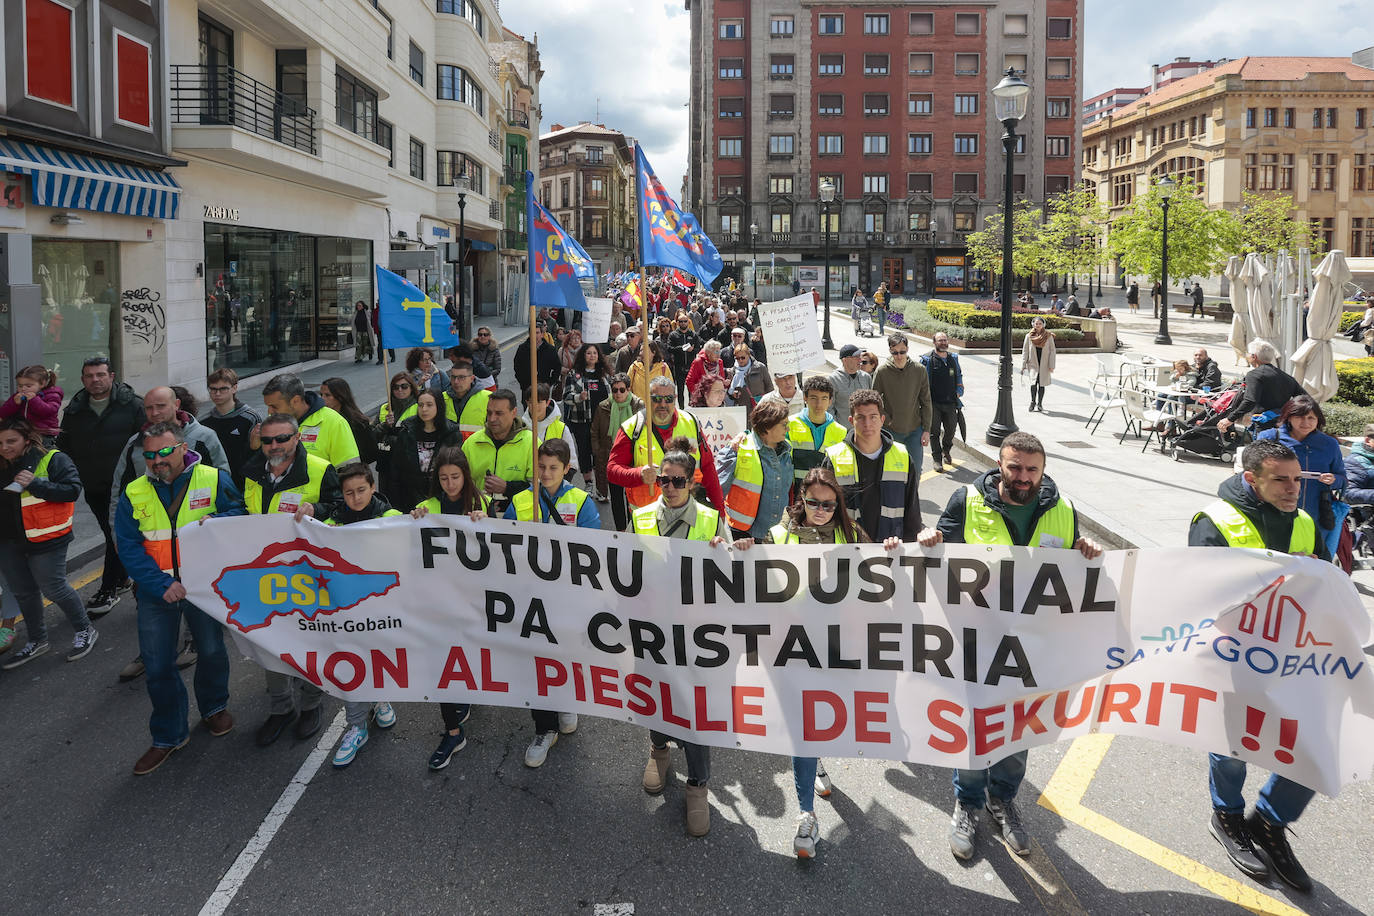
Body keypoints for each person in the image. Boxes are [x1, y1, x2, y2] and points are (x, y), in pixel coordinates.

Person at [917, 431, 1103, 861]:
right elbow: (940, 558)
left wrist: (1084, 551)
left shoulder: (1063, 510)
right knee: (976, 723)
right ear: (1000, 464)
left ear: (1043, 470)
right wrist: (931, 541)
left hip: (1034, 645)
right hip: (977, 639)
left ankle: (1003, 799)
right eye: (1014, 466)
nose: (1022, 476)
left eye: (1031, 469)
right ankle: (967, 801)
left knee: (1019, 728)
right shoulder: (966, 501)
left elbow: (1074, 573)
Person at [728, 466, 899, 853]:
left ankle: (816, 759)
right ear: (800, 500)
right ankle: (806, 815)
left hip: (836, 649)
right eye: (813, 502)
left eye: (828, 503)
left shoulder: (852, 535)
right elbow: (754, 581)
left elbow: (880, 579)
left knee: (821, 721)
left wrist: (889, 551)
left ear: (837, 503)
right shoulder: (776, 536)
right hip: (790, 650)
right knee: (802, 726)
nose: (820, 510)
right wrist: (742, 550)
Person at [1189, 439, 1328, 892]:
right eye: (1281, 480)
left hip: (1293, 653)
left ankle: (1268, 821)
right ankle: (1227, 816)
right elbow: (1198, 593)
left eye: (1297, 479)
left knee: (1311, 747)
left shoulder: (1304, 520)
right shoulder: (1214, 521)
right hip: (1233, 655)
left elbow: (1323, 581)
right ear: (1252, 479)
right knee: (1234, 743)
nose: (1293, 489)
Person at [112, 422, 245, 774]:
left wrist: (218, 519)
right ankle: (168, 736)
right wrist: (159, 584)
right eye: (150, 455)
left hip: (204, 589)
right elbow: (128, 546)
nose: (157, 461)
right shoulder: (134, 492)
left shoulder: (214, 479)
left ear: (182, 448)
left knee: (213, 651)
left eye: (164, 452)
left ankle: (214, 708)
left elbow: (241, 515)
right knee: (157, 667)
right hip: (159, 593)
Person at [632, 437, 732, 836]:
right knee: (654, 694)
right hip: (651, 631)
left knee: (694, 710)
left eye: (678, 481)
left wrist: (723, 553)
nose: (670, 487)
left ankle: (698, 785)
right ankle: (658, 749)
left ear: (692, 483)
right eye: (664, 481)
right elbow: (622, 569)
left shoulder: (710, 520)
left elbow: (729, 577)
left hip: (694, 635)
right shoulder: (639, 518)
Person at [242, 413, 342, 747]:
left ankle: (311, 703)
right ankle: (281, 708)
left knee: (309, 642)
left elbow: (341, 506)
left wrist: (319, 511)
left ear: (297, 438)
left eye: (281, 439)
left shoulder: (319, 468)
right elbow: (243, 514)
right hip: (265, 576)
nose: (274, 447)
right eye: (267, 440)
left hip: (308, 576)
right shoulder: (252, 470)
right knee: (271, 642)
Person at [503, 439, 599, 767]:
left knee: (566, 655)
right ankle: (544, 729)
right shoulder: (520, 500)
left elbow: (595, 551)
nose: (545, 473)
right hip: (530, 597)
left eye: (553, 468)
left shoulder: (581, 502)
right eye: (541, 467)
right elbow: (502, 546)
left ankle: (566, 698)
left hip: (568, 598)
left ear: (566, 468)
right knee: (537, 662)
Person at [411, 446, 488, 769]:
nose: (449, 484)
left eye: (455, 477)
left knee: (466, 654)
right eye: (443, 478)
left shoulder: (479, 503)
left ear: (465, 475)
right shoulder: (427, 507)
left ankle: (463, 695)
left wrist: (485, 523)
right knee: (442, 662)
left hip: (471, 598)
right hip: (437, 600)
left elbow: (496, 548)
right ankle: (453, 731)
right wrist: (413, 520)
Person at [0, 418, 98, 670]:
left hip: (46, 537)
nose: (5, 447)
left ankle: (85, 630)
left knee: (53, 588)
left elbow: (72, 490)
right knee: (23, 592)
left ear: (28, 439)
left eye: (11, 441)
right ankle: (37, 640)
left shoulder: (53, 458)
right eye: (0, 443)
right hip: (9, 540)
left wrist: (35, 484)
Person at [319, 463, 400, 767]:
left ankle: (379, 698)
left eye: (361, 490)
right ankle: (356, 726)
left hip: (382, 609)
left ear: (373, 487)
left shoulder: (393, 519)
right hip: (346, 611)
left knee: (377, 658)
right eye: (349, 493)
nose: (356, 497)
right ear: (342, 494)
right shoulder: (329, 524)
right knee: (351, 663)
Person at [57, 356, 146, 615]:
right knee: (112, 534)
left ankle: (107, 589)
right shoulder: (75, 409)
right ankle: (121, 579)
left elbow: (146, 445)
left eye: (100, 375)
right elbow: (65, 447)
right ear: (83, 379)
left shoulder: (133, 405)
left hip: (127, 488)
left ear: (112, 375)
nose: (95, 380)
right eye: (89, 376)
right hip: (94, 486)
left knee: (113, 535)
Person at [606, 376, 726, 514]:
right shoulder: (632, 428)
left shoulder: (691, 422)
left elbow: (708, 467)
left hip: (686, 514)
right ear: (647, 399)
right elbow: (612, 470)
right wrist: (638, 474)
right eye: (656, 399)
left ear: (675, 399)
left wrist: (719, 510)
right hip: (648, 519)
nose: (662, 404)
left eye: (668, 399)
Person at [821, 389, 921, 541]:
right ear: (850, 420)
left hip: (889, 551)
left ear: (882, 419)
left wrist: (910, 552)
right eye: (860, 417)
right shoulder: (834, 458)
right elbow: (823, 512)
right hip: (847, 552)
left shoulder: (902, 457)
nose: (867, 424)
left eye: (873, 417)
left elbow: (912, 513)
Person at [1253, 395, 1347, 556]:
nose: (1306, 422)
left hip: (1315, 516)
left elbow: (1343, 479)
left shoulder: (1329, 444)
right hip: (1274, 511)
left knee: (1312, 562)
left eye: (1311, 417)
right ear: (1288, 417)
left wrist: (1333, 480)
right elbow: (1252, 472)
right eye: (1300, 417)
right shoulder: (1269, 438)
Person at [718, 400, 794, 540]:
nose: (788, 429)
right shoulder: (737, 449)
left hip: (778, 534)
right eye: (784, 425)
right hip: (744, 535)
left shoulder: (788, 450)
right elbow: (717, 492)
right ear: (767, 426)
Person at [461, 388, 533, 517]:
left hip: (518, 521)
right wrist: (481, 503)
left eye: (499, 413)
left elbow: (541, 489)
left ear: (514, 412)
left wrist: (507, 488)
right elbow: (460, 485)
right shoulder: (471, 443)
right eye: (489, 413)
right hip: (479, 518)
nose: (492, 418)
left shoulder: (531, 443)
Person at [261, 373, 360, 467]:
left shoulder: (334, 422)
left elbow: (349, 470)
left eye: (274, 406)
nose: (269, 411)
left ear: (296, 401)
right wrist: (254, 447)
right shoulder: (272, 423)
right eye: (268, 406)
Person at [1217, 340, 1306, 437]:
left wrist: (1230, 419)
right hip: (1283, 425)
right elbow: (1305, 398)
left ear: (1254, 356)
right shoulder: (1286, 377)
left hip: (1264, 426)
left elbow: (1250, 400)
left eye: (1248, 353)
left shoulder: (1254, 375)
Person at [392, 390, 463, 511]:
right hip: (411, 498)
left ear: (439, 406)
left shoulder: (451, 433)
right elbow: (397, 468)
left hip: (442, 497)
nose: (424, 409)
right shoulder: (407, 432)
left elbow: (457, 467)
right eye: (420, 405)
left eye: (429, 405)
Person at [872, 333, 932, 473]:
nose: (899, 356)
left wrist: (927, 430)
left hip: (914, 431)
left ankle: (912, 496)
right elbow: (874, 400)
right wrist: (887, 420)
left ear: (908, 349)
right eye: (895, 352)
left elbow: (926, 401)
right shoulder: (882, 371)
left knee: (915, 471)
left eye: (902, 352)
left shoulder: (919, 370)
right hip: (890, 431)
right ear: (890, 351)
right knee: (891, 472)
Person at [200, 368, 261, 491]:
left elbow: (259, 453)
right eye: (213, 389)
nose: (217, 394)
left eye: (223, 389)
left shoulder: (250, 417)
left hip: (244, 485)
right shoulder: (203, 422)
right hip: (214, 485)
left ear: (234, 388)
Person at [593, 374, 641, 529]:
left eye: (622, 390)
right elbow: (595, 432)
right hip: (611, 458)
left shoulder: (639, 406)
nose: (618, 394)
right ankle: (621, 530)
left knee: (632, 498)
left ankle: (632, 528)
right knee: (616, 497)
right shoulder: (603, 407)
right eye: (615, 390)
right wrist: (599, 452)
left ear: (628, 389)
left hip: (633, 460)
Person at [562, 343, 609, 498]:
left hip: (601, 423)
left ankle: (601, 488)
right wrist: (578, 397)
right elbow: (566, 398)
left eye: (594, 353)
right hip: (580, 421)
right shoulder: (574, 374)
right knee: (584, 452)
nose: (592, 356)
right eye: (588, 353)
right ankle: (588, 484)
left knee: (600, 454)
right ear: (583, 355)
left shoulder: (605, 374)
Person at [788, 377, 846, 484]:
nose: (819, 404)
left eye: (824, 398)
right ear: (805, 398)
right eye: (814, 398)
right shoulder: (789, 424)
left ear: (830, 401)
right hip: (795, 492)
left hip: (825, 495)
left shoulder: (841, 432)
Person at [921, 332, 964, 473]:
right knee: (934, 432)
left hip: (951, 402)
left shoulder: (953, 358)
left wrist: (959, 390)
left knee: (951, 429)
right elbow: (921, 380)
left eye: (945, 340)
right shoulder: (927, 359)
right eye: (940, 340)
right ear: (934, 342)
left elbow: (958, 375)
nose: (944, 342)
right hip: (933, 403)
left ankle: (946, 449)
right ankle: (937, 459)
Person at [319, 377, 377, 468]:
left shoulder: (358, 422)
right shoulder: (319, 419)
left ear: (340, 396)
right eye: (321, 395)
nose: (322, 399)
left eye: (327, 395)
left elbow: (370, 453)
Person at [522, 383, 579, 475]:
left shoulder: (561, 429)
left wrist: (556, 485)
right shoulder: (521, 428)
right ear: (527, 402)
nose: (535, 406)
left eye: (539, 402)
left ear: (547, 402)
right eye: (531, 402)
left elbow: (572, 464)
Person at [0, 365, 62, 441]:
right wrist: (14, 403)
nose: (23, 389)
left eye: (28, 386)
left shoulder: (52, 395)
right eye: (20, 385)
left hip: (44, 433)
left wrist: (34, 400)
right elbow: (3, 414)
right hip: (24, 431)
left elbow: (48, 411)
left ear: (42, 384)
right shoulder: (18, 396)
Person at [1021, 317, 1057, 412]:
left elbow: (1052, 351)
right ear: (1033, 324)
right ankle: (1033, 402)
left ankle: (1040, 403)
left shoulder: (1048, 336)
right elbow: (1025, 351)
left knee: (1042, 384)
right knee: (1033, 383)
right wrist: (1023, 365)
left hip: (1044, 363)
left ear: (1043, 325)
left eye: (1040, 323)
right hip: (1033, 363)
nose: (1038, 325)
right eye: (1036, 323)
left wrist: (1051, 365)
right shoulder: (1029, 336)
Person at [725, 344, 772, 415]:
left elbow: (769, 387)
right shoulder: (733, 371)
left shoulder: (760, 367)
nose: (740, 360)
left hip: (760, 407)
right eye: (737, 358)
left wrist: (770, 405)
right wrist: (733, 394)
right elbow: (730, 393)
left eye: (743, 357)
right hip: (742, 410)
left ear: (748, 355)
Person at [515, 321, 562, 390]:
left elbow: (557, 367)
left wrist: (549, 383)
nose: (535, 335)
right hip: (527, 388)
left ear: (542, 334)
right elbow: (517, 367)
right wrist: (523, 383)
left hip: (544, 388)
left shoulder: (550, 349)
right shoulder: (522, 348)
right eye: (532, 333)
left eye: (537, 333)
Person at [828, 344, 873, 415]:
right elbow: (829, 408)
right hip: (842, 425)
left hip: (863, 425)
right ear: (844, 360)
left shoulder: (866, 377)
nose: (860, 360)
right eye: (856, 357)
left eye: (860, 356)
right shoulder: (833, 379)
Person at [668, 313, 700, 404]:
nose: (683, 323)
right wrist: (681, 348)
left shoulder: (693, 334)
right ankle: (681, 408)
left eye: (685, 321)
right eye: (681, 321)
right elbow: (669, 348)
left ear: (688, 322)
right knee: (680, 390)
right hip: (679, 366)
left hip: (691, 367)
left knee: (692, 389)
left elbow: (698, 348)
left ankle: (692, 407)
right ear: (677, 323)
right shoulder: (673, 335)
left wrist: (692, 350)